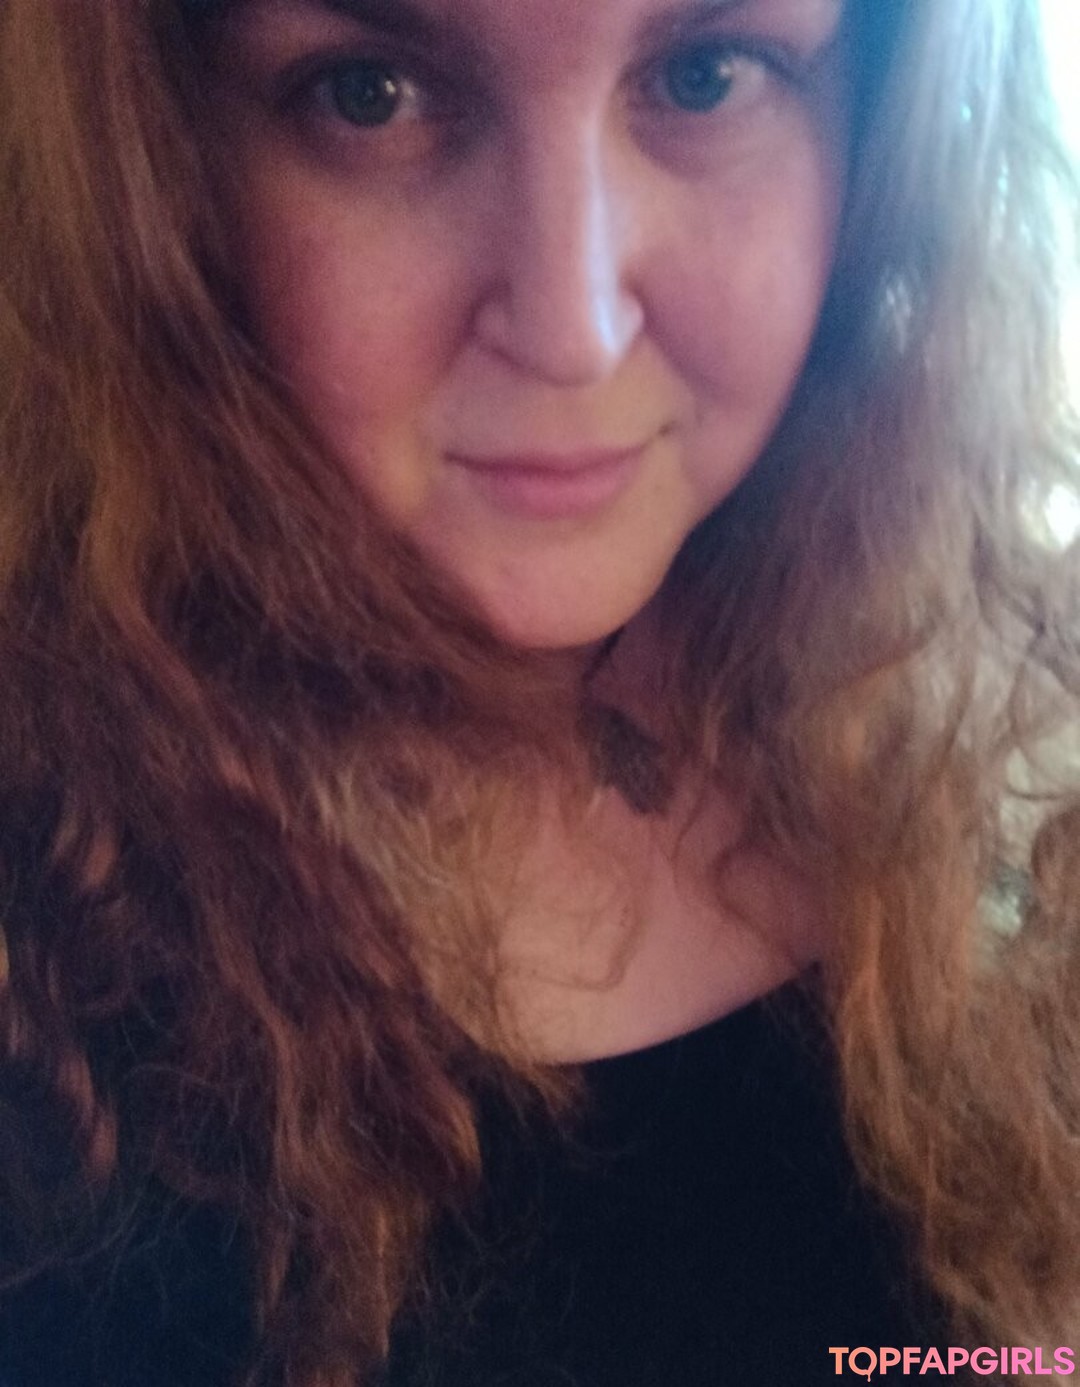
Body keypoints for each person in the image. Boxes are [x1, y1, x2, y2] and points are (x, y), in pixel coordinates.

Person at [0, 0, 1078, 1384]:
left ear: (877, 130)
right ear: (152, 168)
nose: (575, 329)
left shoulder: (976, 717)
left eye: (706, 76)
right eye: (372, 94)